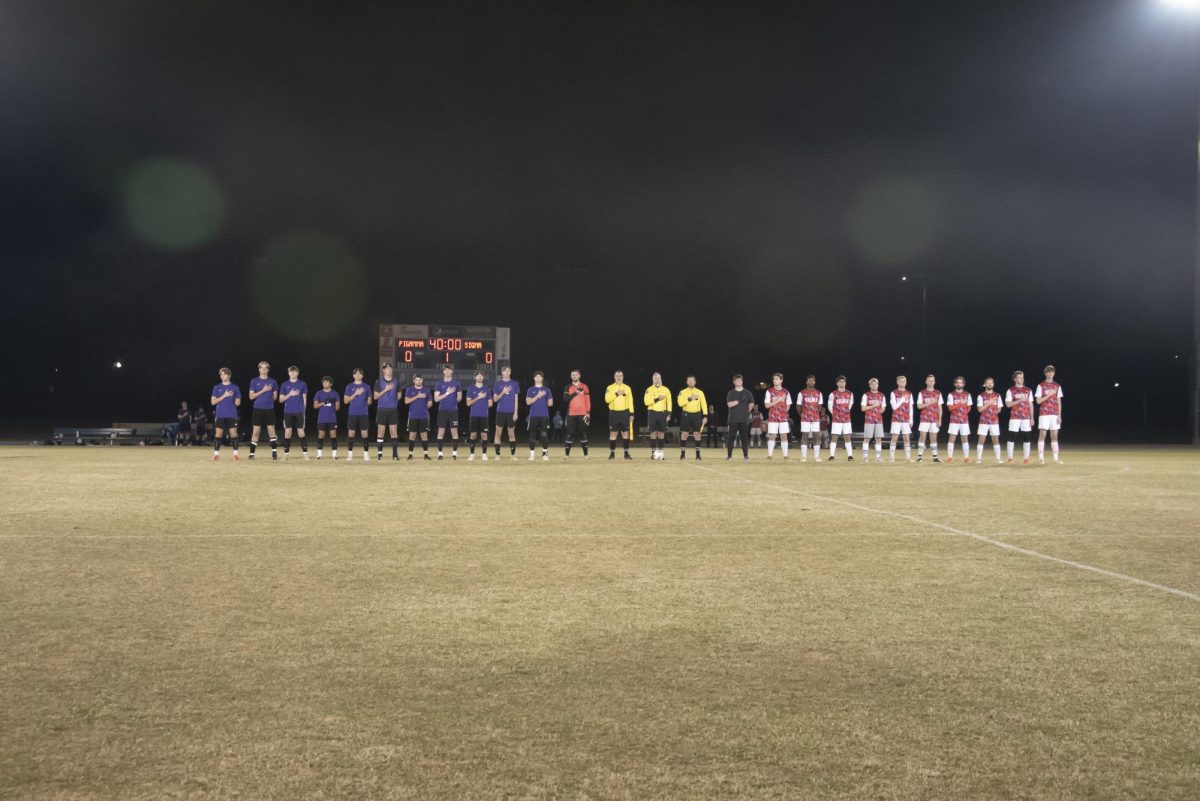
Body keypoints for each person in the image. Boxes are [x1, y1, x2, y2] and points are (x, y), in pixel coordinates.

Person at [247, 361, 279, 461]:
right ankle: (252, 453)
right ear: (259, 369)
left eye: (266, 368)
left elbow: (275, 397)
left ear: (268, 370)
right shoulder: (254, 381)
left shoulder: (273, 381)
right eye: (262, 368)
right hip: (258, 409)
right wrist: (263, 390)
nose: (264, 369)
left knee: (271, 430)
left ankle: (274, 452)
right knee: (256, 431)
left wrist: (268, 401)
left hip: (269, 409)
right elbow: (251, 396)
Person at [210, 367, 241, 461]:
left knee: (233, 434)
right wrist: (224, 395)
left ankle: (236, 454)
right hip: (220, 415)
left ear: (229, 375)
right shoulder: (217, 387)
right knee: (218, 434)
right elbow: (213, 402)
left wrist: (236, 401)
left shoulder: (235, 387)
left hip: (232, 415)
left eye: (224, 374)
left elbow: (238, 403)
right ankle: (216, 455)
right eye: (221, 374)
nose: (222, 376)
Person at [279, 365, 309, 460]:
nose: (293, 373)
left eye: (294, 371)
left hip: (299, 412)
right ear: (288, 373)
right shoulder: (284, 384)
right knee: (287, 433)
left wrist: (303, 412)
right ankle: (286, 454)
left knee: (301, 432)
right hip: (288, 412)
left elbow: (304, 399)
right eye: (291, 372)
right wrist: (290, 394)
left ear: (297, 373)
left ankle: (305, 454)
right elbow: (281, 400)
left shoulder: (302, 384)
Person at [433, 365, 463, 461]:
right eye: (446, 370)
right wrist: (447, 393)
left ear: (452, 371)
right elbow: (436, 399)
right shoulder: (439, 383)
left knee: (454, 432)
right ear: (443, 372)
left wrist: (452, 401)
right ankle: (440, 454)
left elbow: (459, 398)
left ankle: (454, 454)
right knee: (441, 432)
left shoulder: (457, 383)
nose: (448, 371)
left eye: (449, 369)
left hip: (453, 411)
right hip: (442, 411)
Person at [1036, 365, 1064, 465]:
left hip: (1054, 414)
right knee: (1042, 435)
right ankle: (1041, 458)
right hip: (1044, 413)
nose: (1050, 373)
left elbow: (1059, 401)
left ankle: (1055, 458)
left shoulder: (1057, 386)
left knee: (1054, 436)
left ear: (1054, 373)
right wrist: (1049, 394)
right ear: (1045, 373)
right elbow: (1038, 401)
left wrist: (1059, 415)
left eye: (1052, 372)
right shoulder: (1041, 385)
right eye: (1048, 372)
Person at [604, 370, 635, 460]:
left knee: (625, 433)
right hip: (614, 413)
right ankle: (612, 454)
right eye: (617, 376)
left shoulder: (627, 388)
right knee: (613, 433)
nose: (619, 377)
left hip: (625, 413)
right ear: (614, 377)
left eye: (620, 376)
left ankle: (626, 454)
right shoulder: (610, 387)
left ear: (623, 377)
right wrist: (617, 394)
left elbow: (630, 402)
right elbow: (607, 399)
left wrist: (631, 414)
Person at [1006, 370, 1035, 464]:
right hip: (1015, 417)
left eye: (1022, 377)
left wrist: (1032, 418)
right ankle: (1010, 458)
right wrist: (1019, 400)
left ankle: (1026, 458)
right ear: (1015, 379)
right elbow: (1008, 404)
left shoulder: (1028, 390)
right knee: (1012, 437)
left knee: (1027, 437)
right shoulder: (1010, 390)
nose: (1021, 379)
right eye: (1019, 377)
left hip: (1026, 417)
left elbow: (1030, 405)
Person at [343, 368, 372, 462]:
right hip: (352, 413)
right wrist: (356, 393)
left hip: (363, 413)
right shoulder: (349, 386)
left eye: (360, 374)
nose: (358, 375)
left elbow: (370, 401)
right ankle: (350, 454)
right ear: (353, 375)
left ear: (362, 375)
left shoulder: (367, 386)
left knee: (365, 434)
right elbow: (345, 401)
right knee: (351, 434)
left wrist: (367, 401)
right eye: (356, 374)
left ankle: (366, 454)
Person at [374, 363, 401, 460]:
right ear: (383, 370)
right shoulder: (379, 382)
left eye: (390, 368)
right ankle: (380, 454)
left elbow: (399, 394)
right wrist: (386, 390)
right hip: (382, 409)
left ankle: (395, 455)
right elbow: (375, 396)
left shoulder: (396, 381)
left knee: (393, 432)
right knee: (381, 432)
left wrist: (396, 398)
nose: (389, 370)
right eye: (386, 368)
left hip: (393, 410)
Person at [492, 366, 520, 460]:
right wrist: (503, 392)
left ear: (510, 372)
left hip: (511, 412)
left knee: (511, 434)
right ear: (502, 372)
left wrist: (516, 413)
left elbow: (516, 400)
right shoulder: (497, 384)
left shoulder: (514, 384)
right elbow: (495, 399)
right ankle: (497, 455)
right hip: (500, 412)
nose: (507, 372)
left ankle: (513, 455)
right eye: (505, 371)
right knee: (498, 433)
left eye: (509, 371)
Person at [676, 376, 707, 460]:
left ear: (695, 382)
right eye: (689, 380)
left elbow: (704, 404)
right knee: (684, 434)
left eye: (692, 380)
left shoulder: (700, 392)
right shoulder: (682, 392)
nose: (690, 382)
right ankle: (682, 455)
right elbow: (680, 403)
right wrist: (690, 398)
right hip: (686, 414)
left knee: (697, 434)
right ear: (686, 382)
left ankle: (698, 455)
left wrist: (705, 416)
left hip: (697, 415)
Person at [762, 373, 792, 460]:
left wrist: (784, 412)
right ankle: (770, 455)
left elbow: (788, 405)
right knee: (772, 435)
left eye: (777, 379)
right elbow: (767, 405)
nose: (775, 380)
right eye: (774, 379)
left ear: (781, 380)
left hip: (783, 418)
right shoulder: (769, 391)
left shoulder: (786, 392)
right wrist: (777, 400)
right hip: (773, 417)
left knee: (784, 436)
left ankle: (785, 455)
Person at [975, 377, 1004, 464]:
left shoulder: (997, 395)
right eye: (988, 383)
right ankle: (979, 458)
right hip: (983, 421)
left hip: (994, 421)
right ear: (985, 385)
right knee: (981, 439)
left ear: (993, 384)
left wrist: (993, 414)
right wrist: (990, 403)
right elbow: (980, 409)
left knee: (995, 439)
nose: (989, 384)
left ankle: (998, 458)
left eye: (991, 383)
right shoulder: (981, 396)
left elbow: (999, 409)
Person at [725, 374, 754, 461]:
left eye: (740, 380)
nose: (739, 382)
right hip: (733, 419)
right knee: (731, 438)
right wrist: (737, 401)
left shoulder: (747, 392)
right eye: (737, 380)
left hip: (744, 419)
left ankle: (746, 456)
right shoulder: (731, 393)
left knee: (744, 438)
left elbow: (751, 403)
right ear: (734, 382)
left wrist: (746, 412)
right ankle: (729, 456)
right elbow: (729, 404)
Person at [404, 374, 433, 460]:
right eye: (417, 380)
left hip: (424, 416)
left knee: (424, 435)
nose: (418, 381)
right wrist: (417, 396)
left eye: (420, 380)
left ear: (422, 380)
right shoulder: (409, 390)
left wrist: (424, 408)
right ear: (414, 381)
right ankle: (410, 455)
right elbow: (406, 401)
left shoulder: (426, 390)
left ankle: (426, 455)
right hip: (412, 416)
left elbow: (430, 403)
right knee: (412, 435)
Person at [643, 372, 672, 460]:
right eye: (655, 378)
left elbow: (669, 402)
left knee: (661, 433)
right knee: (653, 433)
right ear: (653, 380)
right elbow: (646, 402)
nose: (657, 380)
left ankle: (660, 453)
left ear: (661, 379)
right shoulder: (649, 390)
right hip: (652, 413)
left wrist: (669, 413)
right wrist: (657, 399)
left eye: (658, 378)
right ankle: (653, 453)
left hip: (663, 413)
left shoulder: (666, 389)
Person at [915, 374, 943, 463]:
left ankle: (935, 457)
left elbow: (940, 407)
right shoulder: (922, 393)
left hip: (934, 419)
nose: (931, 382)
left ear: (934, 382)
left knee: (933, 437)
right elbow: (919, 406)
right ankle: (919, 456)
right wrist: (930, 402)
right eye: (929, 380)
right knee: (922, 436)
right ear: (926, 382)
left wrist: (940, 419)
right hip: (924, 418)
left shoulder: (938, 393)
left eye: (932, 380)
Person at [563, 370, 591, 458]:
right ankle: (567, 455)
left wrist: (588, 412)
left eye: (576, 375)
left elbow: (588, 400)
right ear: (571, 377)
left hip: (583, 414)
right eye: (572, 375)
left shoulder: (584, 386)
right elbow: (565, 399)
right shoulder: (568, 386)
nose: (574, 376)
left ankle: (586, 455)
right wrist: (576, 393)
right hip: (571, 414)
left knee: (583, 434)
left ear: (579, 376)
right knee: (570, 434)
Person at [526, 371, 553, 460]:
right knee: (532, 435)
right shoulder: (530, 389)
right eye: (536, 376)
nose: (538, 378)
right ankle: (532, 454)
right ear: (534, 378)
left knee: (544, 434)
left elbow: (550, 403)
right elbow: (528, 402)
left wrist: (545, 401)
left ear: (542, 378)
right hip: (533, 415)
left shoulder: (547, 390)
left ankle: (545, 453)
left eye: (540, 376)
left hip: (544, 415)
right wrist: (538, 396)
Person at [945, 376, 973, 463]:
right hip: (954, 420)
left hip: (964, 420)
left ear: (963, 384)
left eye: (961, 382)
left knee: (965, 438)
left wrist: (964, 413)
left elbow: (969, 407)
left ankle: (966, 457)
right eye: (957, 382)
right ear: (954, 384)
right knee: (952, 438)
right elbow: (950, 408)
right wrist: (960, 404)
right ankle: (949, 457)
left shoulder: (967, 394)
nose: (959, 384)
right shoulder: (951, 394)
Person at [465, 372, 492, 461]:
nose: (480, 377)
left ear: (483, 378)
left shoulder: (486, 389)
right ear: (475, 377)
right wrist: (478, 397)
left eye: (481, 376)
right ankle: (472, 454)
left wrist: (484, 406)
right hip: (474, 415)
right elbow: (468, 403)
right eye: (478, 376)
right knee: (473, 435)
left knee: (484, 435)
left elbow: (490, 403)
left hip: (484, 415)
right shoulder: (471, 389)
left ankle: (484, 454)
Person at [796, 375, 823, 461]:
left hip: (815, 418)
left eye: (813, 381)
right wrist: (803, 415)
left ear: (814, 382)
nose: (811, 382)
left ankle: (816, 456)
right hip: (805, 418)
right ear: (806, 382)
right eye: (809, 380)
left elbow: (820, 406)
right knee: (805, 436)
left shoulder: (819, 393)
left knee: (816, 436)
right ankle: (803, 456)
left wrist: (815, 414)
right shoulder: (802, 393)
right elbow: (798, 406)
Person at [312, 377, 340, 459]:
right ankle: (319, 454)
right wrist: (323, 403)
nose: (324, 384)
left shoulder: (335, 394)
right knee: (321, 435)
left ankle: (334, 454)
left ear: (330, 384)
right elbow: (315, 406)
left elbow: (337, 408)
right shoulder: (319, 393)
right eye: (323, 382)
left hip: (332, 419)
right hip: (322, 419)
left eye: (326, 382)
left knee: (333, 435)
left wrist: (333, 404)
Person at [888, 375, 914, 462]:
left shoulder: (909, 393)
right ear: (897, 382)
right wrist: (903, 399)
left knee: (907, 439)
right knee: (894, 438)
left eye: (904, 381)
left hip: (906, 420)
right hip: (896, 419)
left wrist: (911, 420)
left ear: (906, 382)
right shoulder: (893, 393)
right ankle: (891, 457)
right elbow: (894, 407)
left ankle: (908, 458)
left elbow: (911, 407)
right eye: (900, 381)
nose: (902, 383)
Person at [860, 378, 887, 463]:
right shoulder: (866, 395)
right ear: (870, 385)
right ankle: (865, 457)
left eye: (876, 384)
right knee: (867, 438)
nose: (874, 385)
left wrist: (878, 413)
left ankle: (878, 457)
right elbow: (863, 408)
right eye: (872, 384)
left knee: (878, 438)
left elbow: (883, 408)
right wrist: (873, 406)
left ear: (878, 385)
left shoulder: (882, 395)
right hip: (869, 419)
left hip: (878, 420)